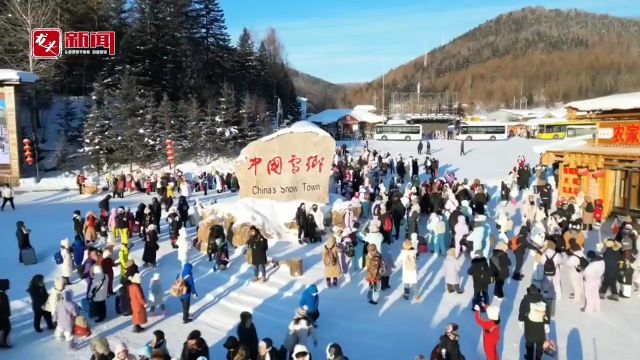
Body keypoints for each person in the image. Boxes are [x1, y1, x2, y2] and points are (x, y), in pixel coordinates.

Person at [518, 285, 549, 360]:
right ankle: (538, 358)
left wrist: (521, 321)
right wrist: (546, 325)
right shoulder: (543, 300)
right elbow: (547, 314)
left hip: (530, 326)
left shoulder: (526, 300)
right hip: (540, 328)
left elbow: (521, 312)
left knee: (529, 344)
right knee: (540, 345)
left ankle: (529, 357)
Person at [0, 280, 9, 348]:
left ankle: (3, 342)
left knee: (6, 328)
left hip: (4, 315)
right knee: (6, 328)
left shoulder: (3, 294)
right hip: (2, 316)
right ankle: (3, 342)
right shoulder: (1, 294)